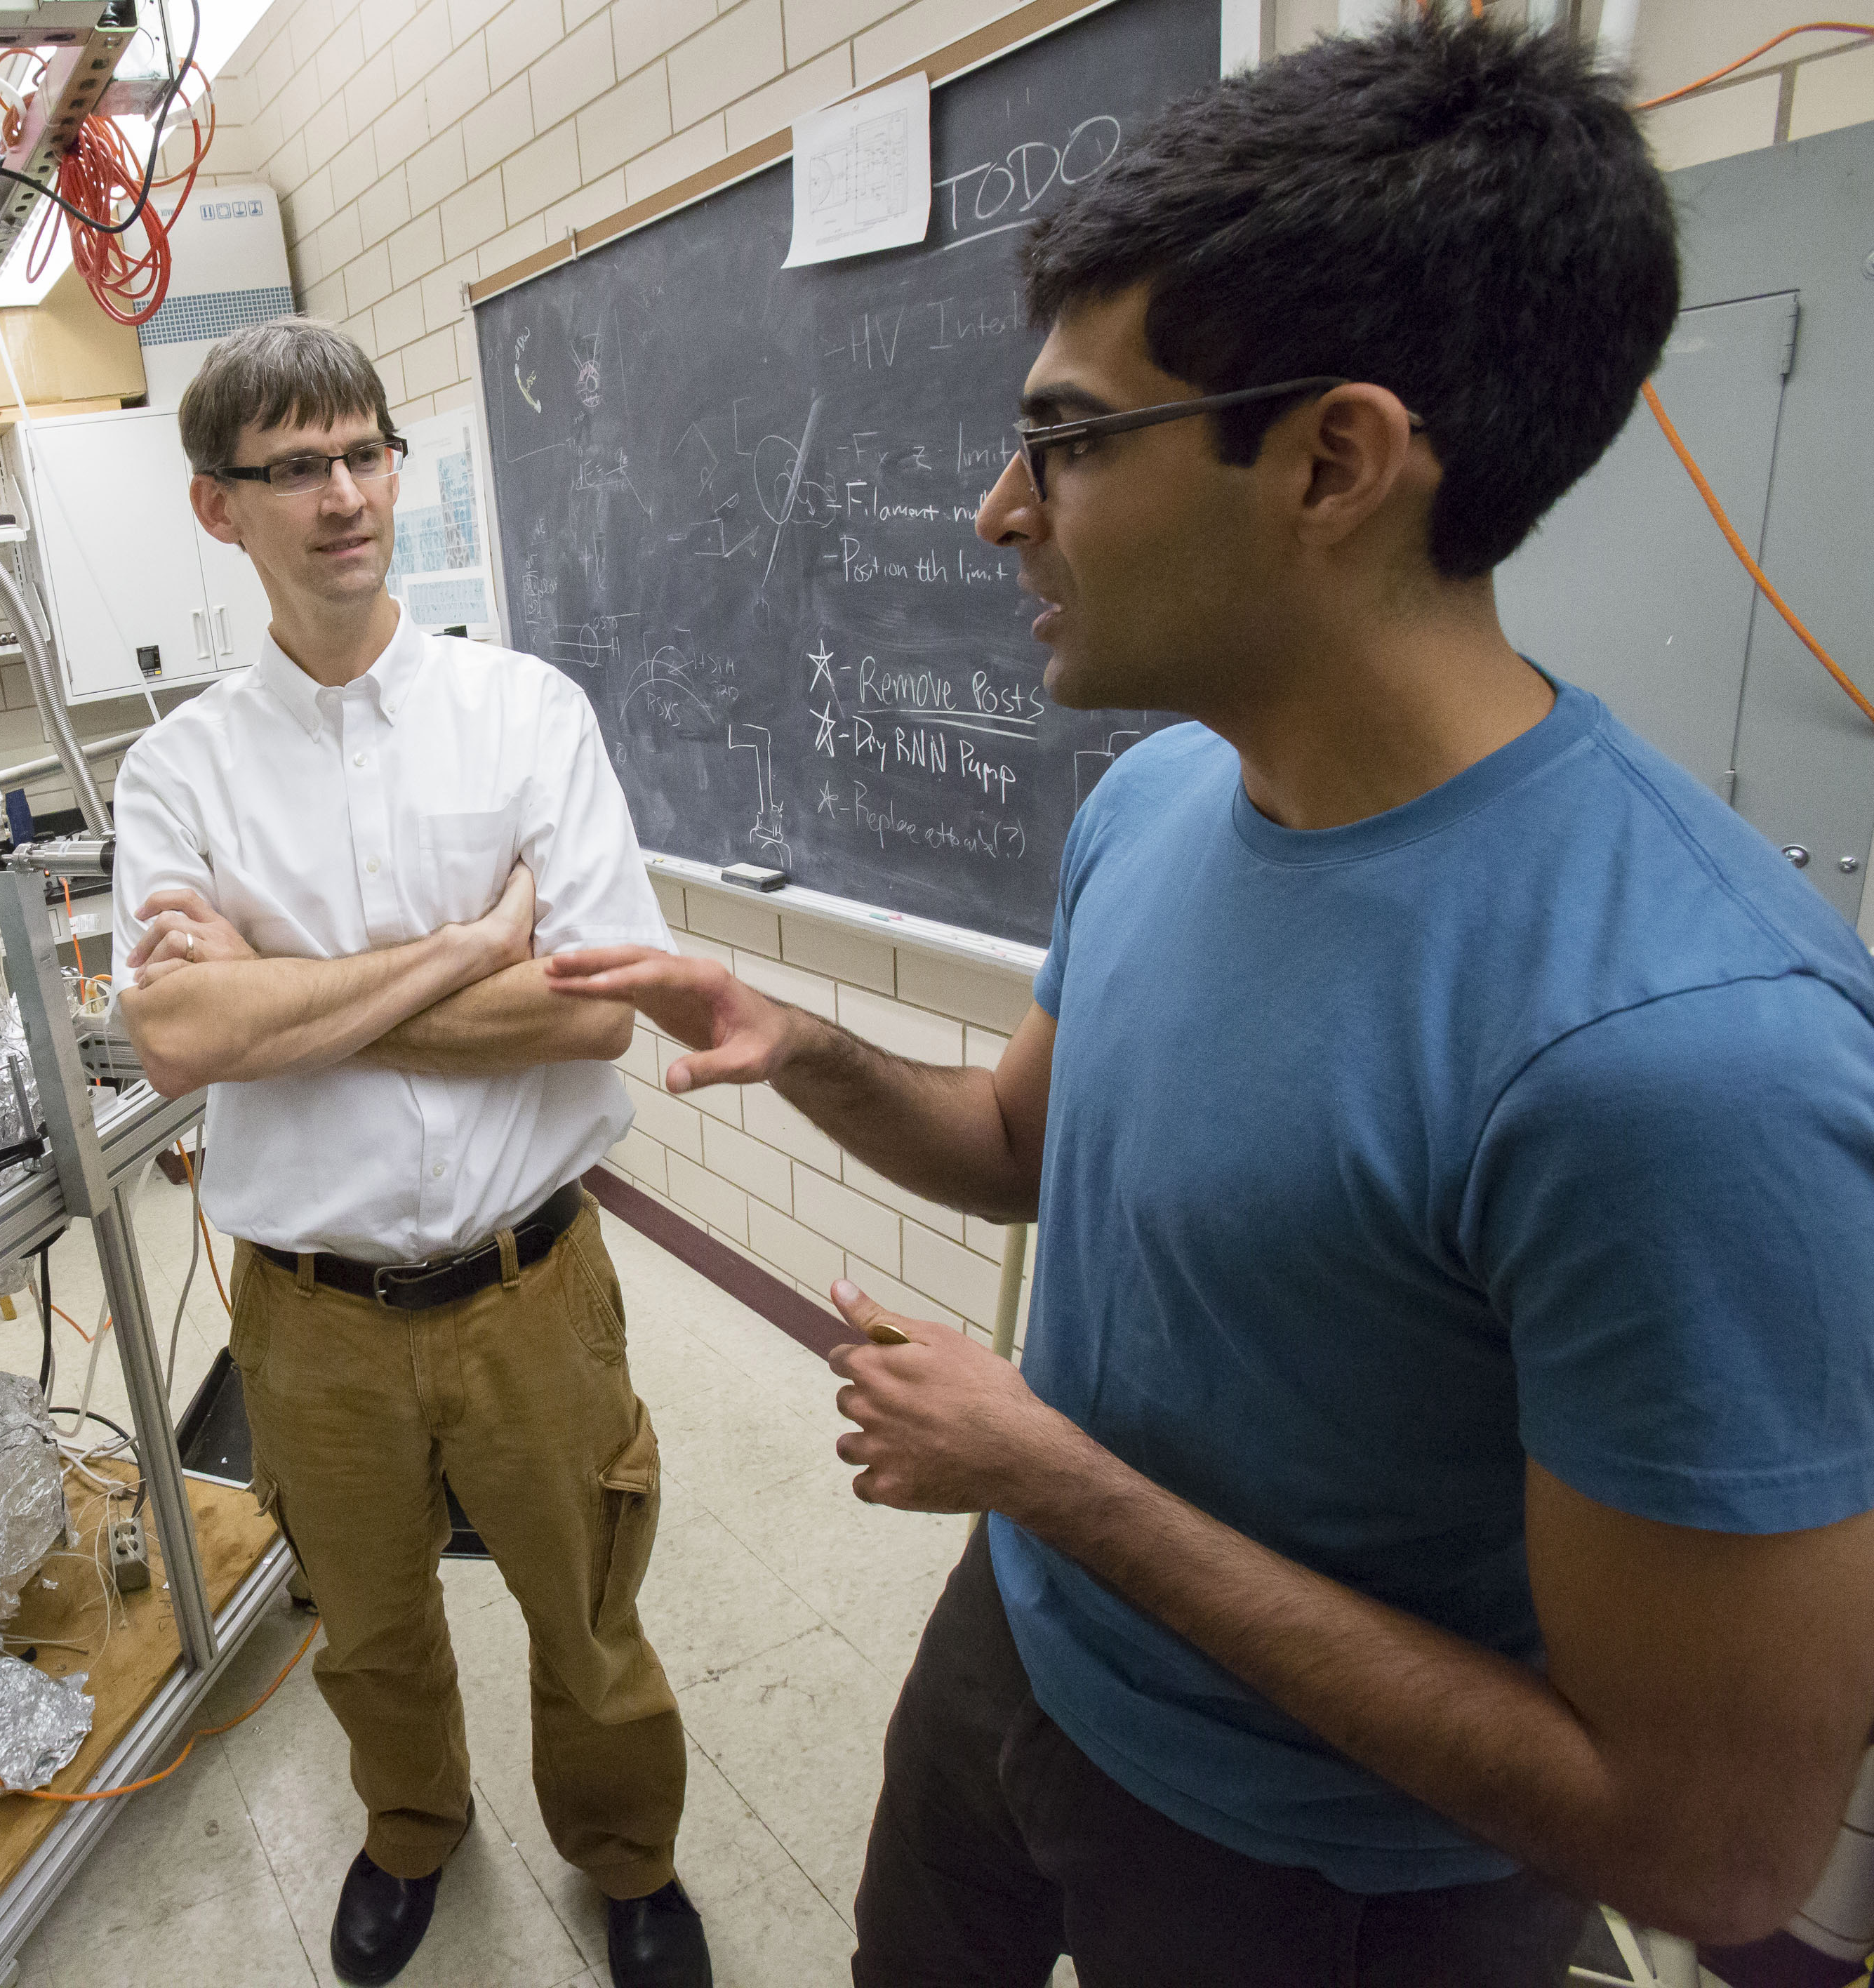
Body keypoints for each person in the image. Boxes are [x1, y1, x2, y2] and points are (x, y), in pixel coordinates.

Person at [546, 18, 1874, 1986]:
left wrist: (1047, 1472)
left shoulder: (1680, 1055)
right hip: (1027, 1655)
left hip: (1325, 1878)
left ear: (1334, 461)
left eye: (1072, 438)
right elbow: (1021, 1148)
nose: (1005, 508)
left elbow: (1716, 1849)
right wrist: (805, 1046)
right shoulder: (1166, 793)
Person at [109, 317, 712, 1988]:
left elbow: (591, 1014)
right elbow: (175, 1040)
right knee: (367, 1628)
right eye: (293, 468)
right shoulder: (181, 769)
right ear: (217, 509)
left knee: (587, 1613)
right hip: (312, 1312)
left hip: (534, 1285)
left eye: (364, 452)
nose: (342, 495)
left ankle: (630, 1859)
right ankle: (410, 1831)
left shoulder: (524, 714)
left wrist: (280, 993)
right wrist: (462, 956)